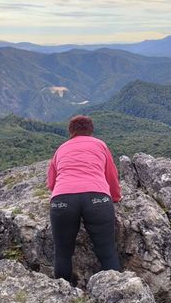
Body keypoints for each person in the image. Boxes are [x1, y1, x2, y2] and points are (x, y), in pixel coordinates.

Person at [47, 115, 121, 282]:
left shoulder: (61, 149)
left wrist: (64, 194)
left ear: (70, 131)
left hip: (63, 199)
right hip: (97, 198)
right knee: (107, 251)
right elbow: (111, 175)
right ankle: (117, 293)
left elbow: (52, 182)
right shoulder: (100, 145)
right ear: (91, 130)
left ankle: (63, 296)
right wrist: (115, 197)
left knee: (63, 253)